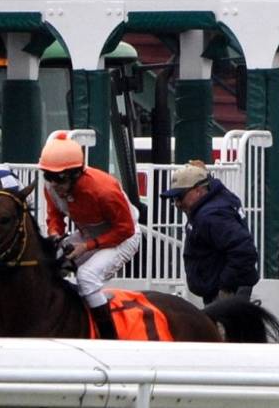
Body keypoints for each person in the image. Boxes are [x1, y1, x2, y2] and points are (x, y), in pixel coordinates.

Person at [39, 134, 142, 340]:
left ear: (75, 174)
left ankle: (108, 338)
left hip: (123, 237)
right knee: (48, 262)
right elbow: (55, 217)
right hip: (89, 234)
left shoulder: (104, 190)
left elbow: (125, 229)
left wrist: (87, 247)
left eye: (59, 178)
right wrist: (55, 235)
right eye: (48, 176)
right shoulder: (51, 187)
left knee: (86, 277)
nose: (53, 184)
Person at [160, 160, 259, 305]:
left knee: (224, 328)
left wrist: (226, 288)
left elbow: (244, 250)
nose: (177, 204)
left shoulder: (211, 216)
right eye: (174, 199)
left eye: (179, 197)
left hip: (226, 292)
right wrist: (205, 174)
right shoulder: (218, 197)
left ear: (198, 191)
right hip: (229, 289)